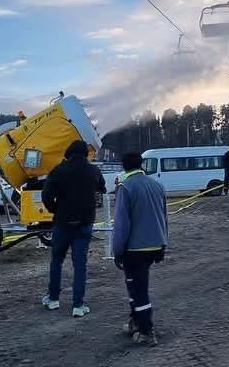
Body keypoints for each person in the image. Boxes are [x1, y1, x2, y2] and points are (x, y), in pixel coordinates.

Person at [40, 140, 106, 317]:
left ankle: (53, 299)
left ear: (68, 153)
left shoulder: (59, 171)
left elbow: (45, 195)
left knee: (57, 260)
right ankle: (78, 305)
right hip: (84, 224)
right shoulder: (93, 170)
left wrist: (54, 209)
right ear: (85, 153)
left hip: (62, 223)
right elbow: (103, 187)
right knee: (80, 265)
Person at [113, 152, 169, 346]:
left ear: (124, 166)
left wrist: (117, 251)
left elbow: (121, 224)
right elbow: (164, 216)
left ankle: (146, 330)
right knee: (135, 285)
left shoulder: (125, 187)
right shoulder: (156, 185)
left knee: (138, 288)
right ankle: (135, 321)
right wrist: (163, 243)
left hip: (135, 249)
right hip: (155, 244)